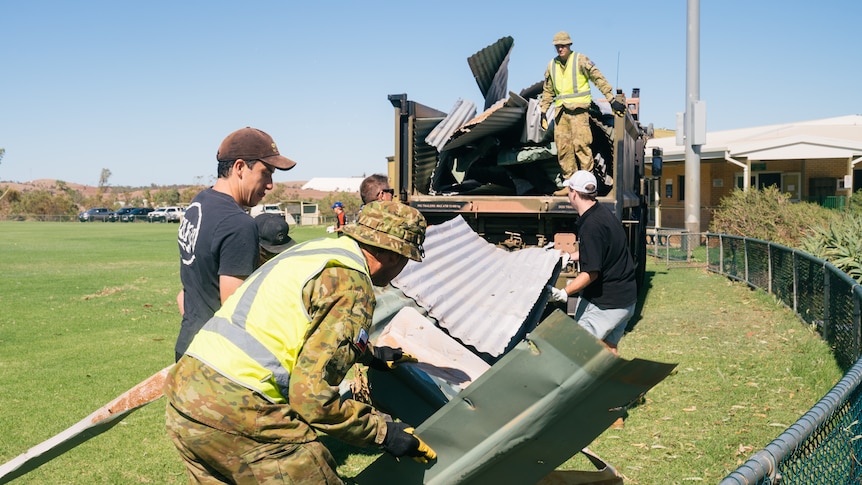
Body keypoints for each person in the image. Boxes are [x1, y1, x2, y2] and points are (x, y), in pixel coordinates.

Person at [165, 201, 436, 484]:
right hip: (240, 408)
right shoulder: (351, 283)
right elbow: (311, 400)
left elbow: (297, 328)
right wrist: (383, 432)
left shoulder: (314, 253)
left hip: (185, 395)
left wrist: (371, 355)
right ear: (394, 256)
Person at [175, 126, 296, 362]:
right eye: (266, 173)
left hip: (189, 345)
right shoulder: (238, 223)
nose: (270, 184)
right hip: (215, 361)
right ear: (240, 167)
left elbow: (184, 294)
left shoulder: (199, 204)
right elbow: (236, 312)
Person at [549, 170, 637, 355]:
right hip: (625, 301)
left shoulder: (591, 226)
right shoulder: (603, 214)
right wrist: (569, 256)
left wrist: (564, 292)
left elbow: (591, 273)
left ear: (573, 192)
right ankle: (612, 383)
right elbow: (599, 250)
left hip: (606, 305)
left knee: (577, 352)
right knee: (608, 350)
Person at [540, 31, 626, 194]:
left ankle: (587, 183)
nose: (560, 49)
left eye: (563, 45)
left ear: (569, 45)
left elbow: (597, 78)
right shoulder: (552, 65)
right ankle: (569, 185)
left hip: (579, 112)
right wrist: (544, 110)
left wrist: (611, 99)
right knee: (564, 148)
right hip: (561, 113)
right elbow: (548, 90)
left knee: (582, 146)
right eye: (557, 46)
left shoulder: (580, 59)